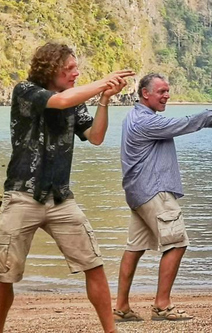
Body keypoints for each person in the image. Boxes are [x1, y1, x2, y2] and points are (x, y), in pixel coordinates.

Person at [0, 42, 133, 333]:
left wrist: (105, 100)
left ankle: (111, 331)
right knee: (4, 274)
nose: (76, 72)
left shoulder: (76, 100)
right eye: (69, 68)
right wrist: (103, 83)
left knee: (93, 264)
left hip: (61, 198)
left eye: (76, 68)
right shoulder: (26, 91)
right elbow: (59, 102)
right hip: (23, 195)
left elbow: (95, 137)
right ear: (51, 69)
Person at [113, 73, 212, 322]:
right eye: (161, 91)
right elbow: (187, 123)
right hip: (154, 191)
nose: (166, 95)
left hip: (138, 194)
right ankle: (162, 306)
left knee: (135, 247)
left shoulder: (135, 117)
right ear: (145, 94)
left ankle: (121, 307)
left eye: (167, 91)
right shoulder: (146, 123)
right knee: (177, 243)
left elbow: (184, 123)